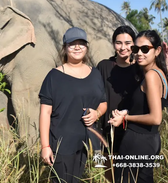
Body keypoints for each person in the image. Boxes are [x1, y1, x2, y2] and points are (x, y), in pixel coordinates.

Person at [39, 27, 107, 183]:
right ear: (65, 47)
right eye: (72, 43)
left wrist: (97, 113)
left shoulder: (95, 74)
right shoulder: (54, 76)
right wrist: (45, 146)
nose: (77, 47)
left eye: (81, 43)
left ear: (87, 47)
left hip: (87, 146)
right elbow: (45, 113)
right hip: (62, 145)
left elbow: (103, 103)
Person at [109, 30, 168, 183]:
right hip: (150, 140)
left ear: (157, 50)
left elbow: (156, 118)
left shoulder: (151, 76)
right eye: (135, 49)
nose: (139, 53)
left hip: (138, 141)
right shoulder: (160, 73)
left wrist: (125, 117)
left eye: (145, 49)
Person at [96, 26, 138, 180]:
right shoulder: (104, 66)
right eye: (118, 43)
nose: (123, 47)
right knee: (109, 176)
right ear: (113, 44)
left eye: (128, 43)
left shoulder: (139, 69)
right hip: (107, 130)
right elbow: (95, 94)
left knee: (130, 176)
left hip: (132, 130)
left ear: (134, 44)